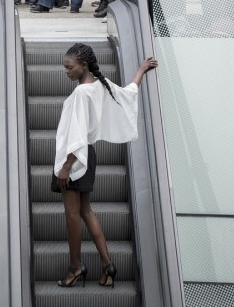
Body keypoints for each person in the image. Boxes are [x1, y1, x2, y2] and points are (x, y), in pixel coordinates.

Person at [53, 43, 157, 289]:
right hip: (88, 155)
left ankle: (75, 267)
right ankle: (108, 265)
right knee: (86, 211)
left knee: (72, 215)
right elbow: (130, 92)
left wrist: (66, 167)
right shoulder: (101, 85)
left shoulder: (81, 93)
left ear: (84, 65)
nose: (66, 71)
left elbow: (76, 134)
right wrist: (141, 70)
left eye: (69, 67)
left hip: (74, 157)